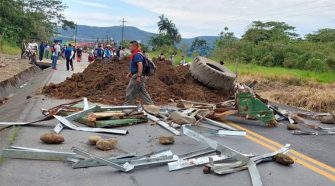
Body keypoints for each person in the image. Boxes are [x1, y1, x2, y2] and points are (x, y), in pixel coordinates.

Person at [124, 40, 154, 105]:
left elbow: (140, 65)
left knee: (130, 90)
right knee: (142, 91)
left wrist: (138, 77)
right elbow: (136, 67)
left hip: (137, 75)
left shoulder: (137, 55)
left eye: (130, 46)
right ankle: (151, 105)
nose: (129, 48)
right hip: (138, 74)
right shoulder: (136, 54)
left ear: (135, 46)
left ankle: (128, 106)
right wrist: (130, 73)